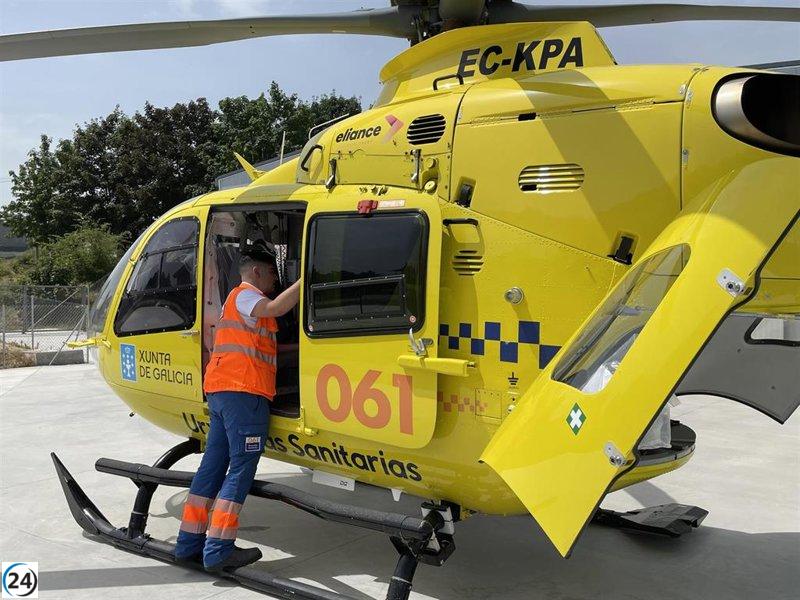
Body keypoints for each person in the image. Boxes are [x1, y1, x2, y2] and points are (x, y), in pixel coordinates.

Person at [174, 240, 301, 572]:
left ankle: (188, 543)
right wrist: (308, 279)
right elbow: (275, 309)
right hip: (244, 395)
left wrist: (302, 350)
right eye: (273, 275)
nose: (276, 282)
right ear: (256, 272)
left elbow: (263, 348)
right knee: (241, 470)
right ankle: (218, 549)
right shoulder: (246, 295)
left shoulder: (238, 304)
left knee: (212, 467)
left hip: (221, 392)